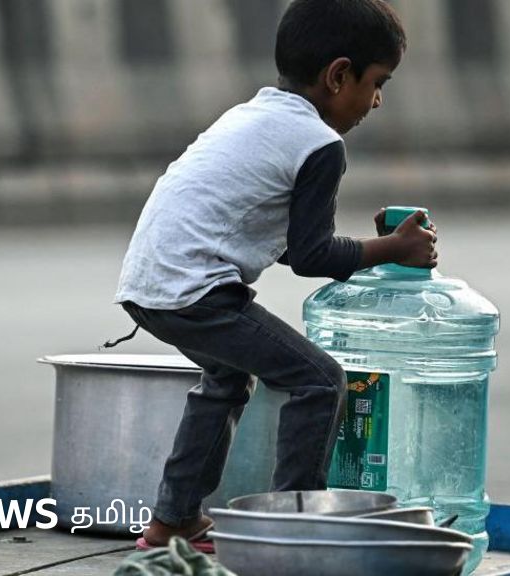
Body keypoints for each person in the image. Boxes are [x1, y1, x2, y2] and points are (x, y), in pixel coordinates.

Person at [113, 0, 437, 550]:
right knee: (319, 380)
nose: (377, 100)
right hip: (197, 289)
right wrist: (392, 248)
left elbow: (285, 243)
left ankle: (173, 521)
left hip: (148, 283)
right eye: (378, 82)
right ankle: (293, 529)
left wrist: (378, 245)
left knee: (225, 380)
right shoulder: (320, 143)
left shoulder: (252, 114)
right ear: (339, 76)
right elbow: (310, 257)